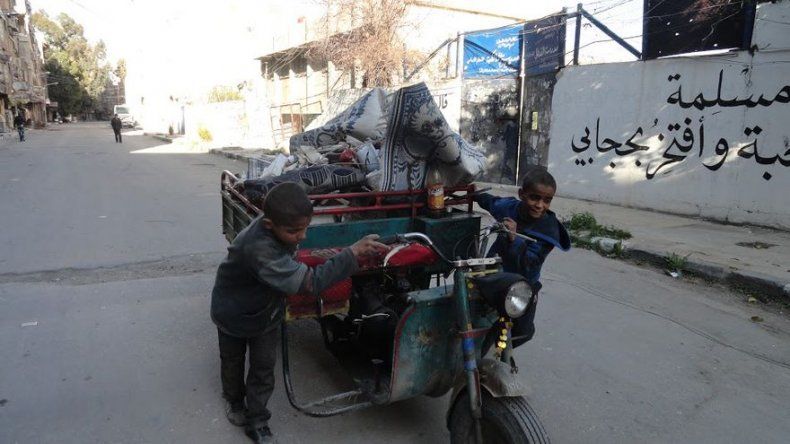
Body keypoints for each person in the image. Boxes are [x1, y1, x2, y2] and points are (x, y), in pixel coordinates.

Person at [210, 182, 389, 444]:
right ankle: (235, 402)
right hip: (233, 312)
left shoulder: (278, 228)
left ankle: (257, 420)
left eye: (305, 228)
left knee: (262, 367)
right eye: (294, 231)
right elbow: (311, 284)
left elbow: (295, 260)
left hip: (266, 311)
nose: (302, 236)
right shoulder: (258, 248)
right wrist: (351, 254)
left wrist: (336, 255)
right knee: (233, 361)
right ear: (269, 225)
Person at [475, 166, 570, 347]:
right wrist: (473, 194)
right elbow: (491, 202)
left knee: (523, 332)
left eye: (547, 200)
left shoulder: (549, 230)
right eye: (534, 197)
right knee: (473, 312)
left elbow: (530, 263)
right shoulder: (510, 207)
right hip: (494, 272)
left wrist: (514, 239)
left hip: (523, 283)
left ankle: (498, 353)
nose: (540, 205)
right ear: (521, 194)